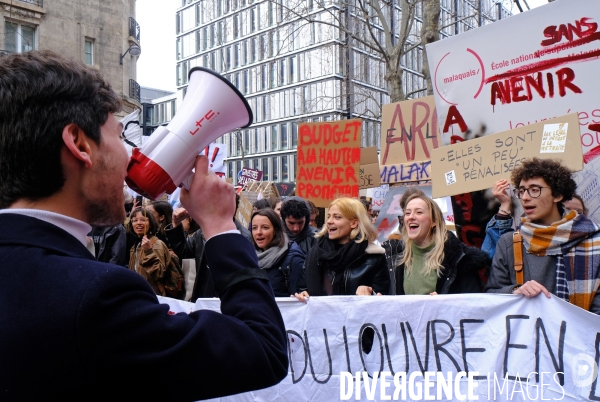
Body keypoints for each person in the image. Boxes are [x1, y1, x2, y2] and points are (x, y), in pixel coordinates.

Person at [0, 50, 287, 400]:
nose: (131, 154)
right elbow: (262, 349)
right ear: (79, 144)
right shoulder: (98, 298)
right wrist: (220, 227)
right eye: (120, 137)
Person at [485, 158, 600, 314]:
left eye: (534, 189)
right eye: (521, 190)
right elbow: (491, 295)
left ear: (557, 195)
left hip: (581, 335)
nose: (525, 197)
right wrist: (515, 290)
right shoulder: (510, 242)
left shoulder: (593, 241)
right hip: (529, 335)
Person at [389, 194, 490, 295]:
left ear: (434, 221)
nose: (411, 217)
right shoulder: (393, 256)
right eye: (407, 213)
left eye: (419, 212)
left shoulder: (459, 259)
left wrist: (443, 303)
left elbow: (471, 302)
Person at [298, 197, 389, 299]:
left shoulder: (374, 257)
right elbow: (302, 288)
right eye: (329, 216)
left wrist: (370, 294)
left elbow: (384, 299)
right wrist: (303, 295)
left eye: (337, 217)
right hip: (321, 314)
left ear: (354, 223)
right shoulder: (316, 253)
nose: (329, 221)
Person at [250, 209, 306, 296]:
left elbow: (300, 296)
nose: (258, 232)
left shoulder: (293, 259)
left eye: (265, 227)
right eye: (254, 228)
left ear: (276, 230)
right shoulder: (249, 256)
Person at [127, 207, 172, 296]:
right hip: (138, 293)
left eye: (143, 220)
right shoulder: (135, 246)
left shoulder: (157, 244)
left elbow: (159, 274)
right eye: (135, 220)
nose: (139, 223)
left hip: (152, 295)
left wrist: (148, 251)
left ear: (150, 224)